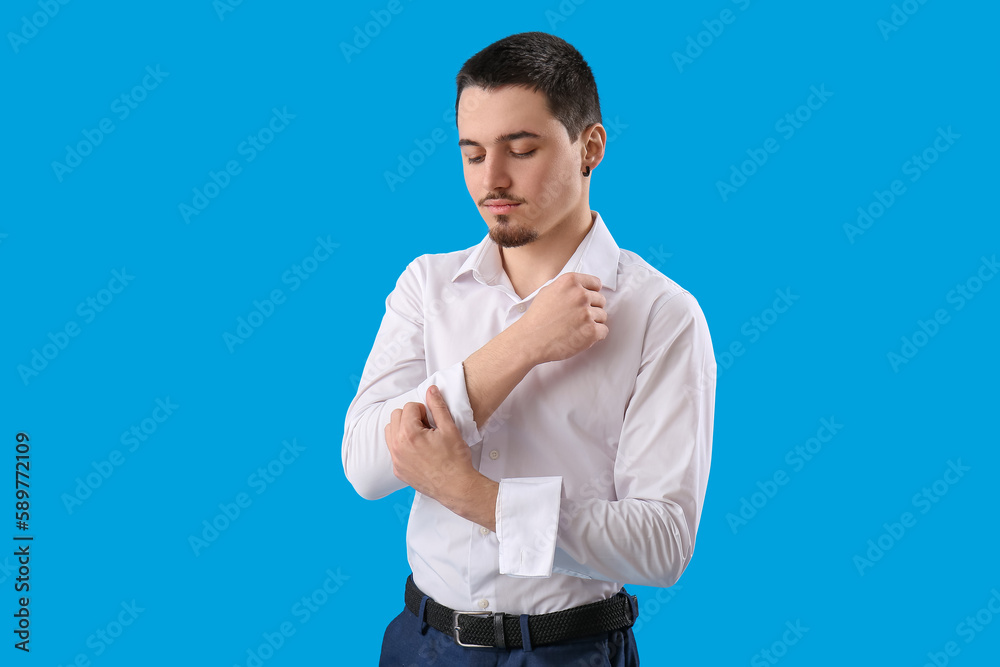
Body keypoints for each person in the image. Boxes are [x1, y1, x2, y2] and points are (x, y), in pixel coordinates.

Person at [342, 31, 716, 666]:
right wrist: (523, 345)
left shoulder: (661, 315)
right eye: (472, 154)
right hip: (422, 645)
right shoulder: (426, 286)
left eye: (521, 149)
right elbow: (366, 466)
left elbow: (663, 544)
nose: (493, 180)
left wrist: (471, 495)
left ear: (590, 147)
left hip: (568, 653)